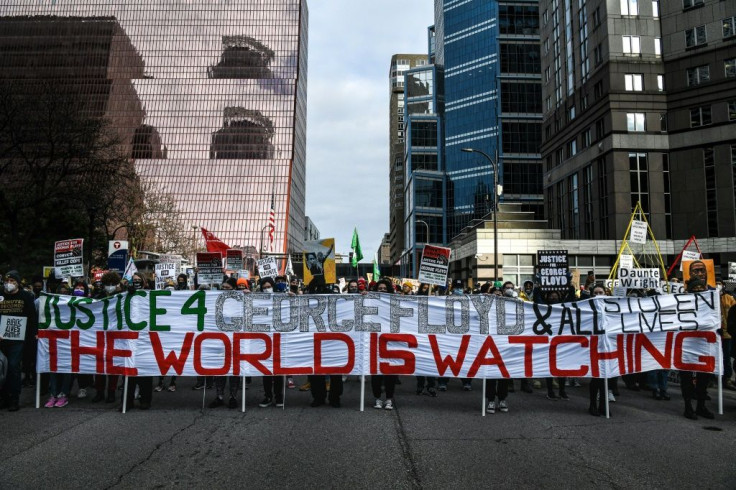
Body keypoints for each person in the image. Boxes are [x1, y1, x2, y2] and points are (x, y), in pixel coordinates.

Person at [0, 271, 39, 411]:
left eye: (12, 281)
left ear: (17, 283)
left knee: (13, 367)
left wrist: (34, 334)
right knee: (1, 368)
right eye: (7, 280)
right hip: (1, 338)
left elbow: (32, 317)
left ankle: (14, 398)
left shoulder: (26, 296)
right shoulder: (1, 295)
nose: (9, 283)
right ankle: (3, 397)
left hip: (18, 339)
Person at [680, 278, 714, 419]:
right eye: (696, 288)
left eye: (701, 288)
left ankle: (701, 406)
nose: (699, 290)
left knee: (703, 378)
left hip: (703, 345)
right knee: (686, 378)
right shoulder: (681, 303)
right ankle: (688, 407)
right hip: (685, 346)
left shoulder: (711, 304)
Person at [92, 272, 122, 404]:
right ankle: (99, 392)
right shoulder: (98, 297)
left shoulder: (121, 297)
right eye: (107, 284)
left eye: (112, 284)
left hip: (115, 335)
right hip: (100, 334)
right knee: (99, 364)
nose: (110, 287)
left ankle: (111, 392)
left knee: (113, 366)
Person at [372, 279, 398, 410]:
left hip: (391, 343)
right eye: (379, 288)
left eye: (384, 288)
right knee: (375, 373)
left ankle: (388, 399)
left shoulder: (395, 302)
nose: (382, 290)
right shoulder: (370, 301)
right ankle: (377, 398)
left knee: (390, 374)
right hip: (375, 342)